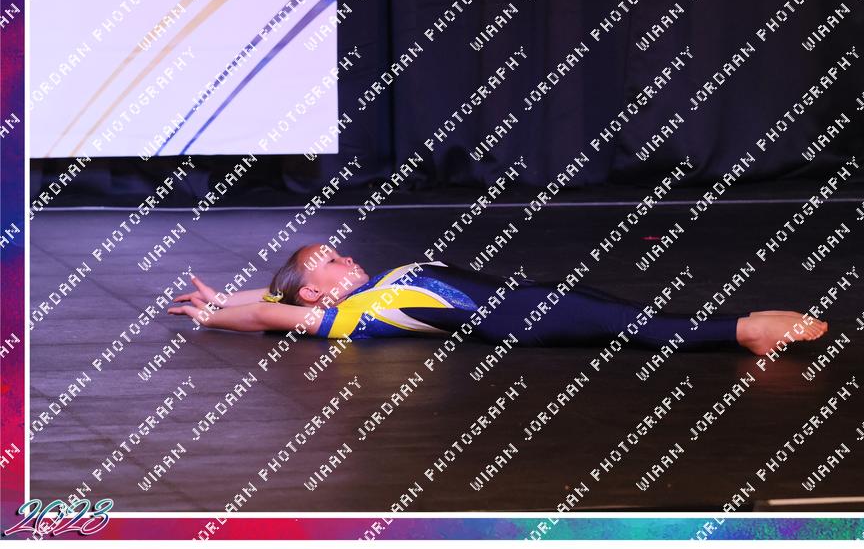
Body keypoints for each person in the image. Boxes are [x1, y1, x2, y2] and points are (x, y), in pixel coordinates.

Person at [167, 243, 829, 356]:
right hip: (521, 318)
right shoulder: (351, 314)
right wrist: (217, 316)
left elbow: (273, 293)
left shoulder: (362, 289)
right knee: (639, 328)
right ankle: (744, 332)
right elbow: (272, 310)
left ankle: (739, 325)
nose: (347, 258)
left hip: (532, 295)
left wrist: (226, 292)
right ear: (318, 290)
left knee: (634, 318)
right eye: (333, 260)